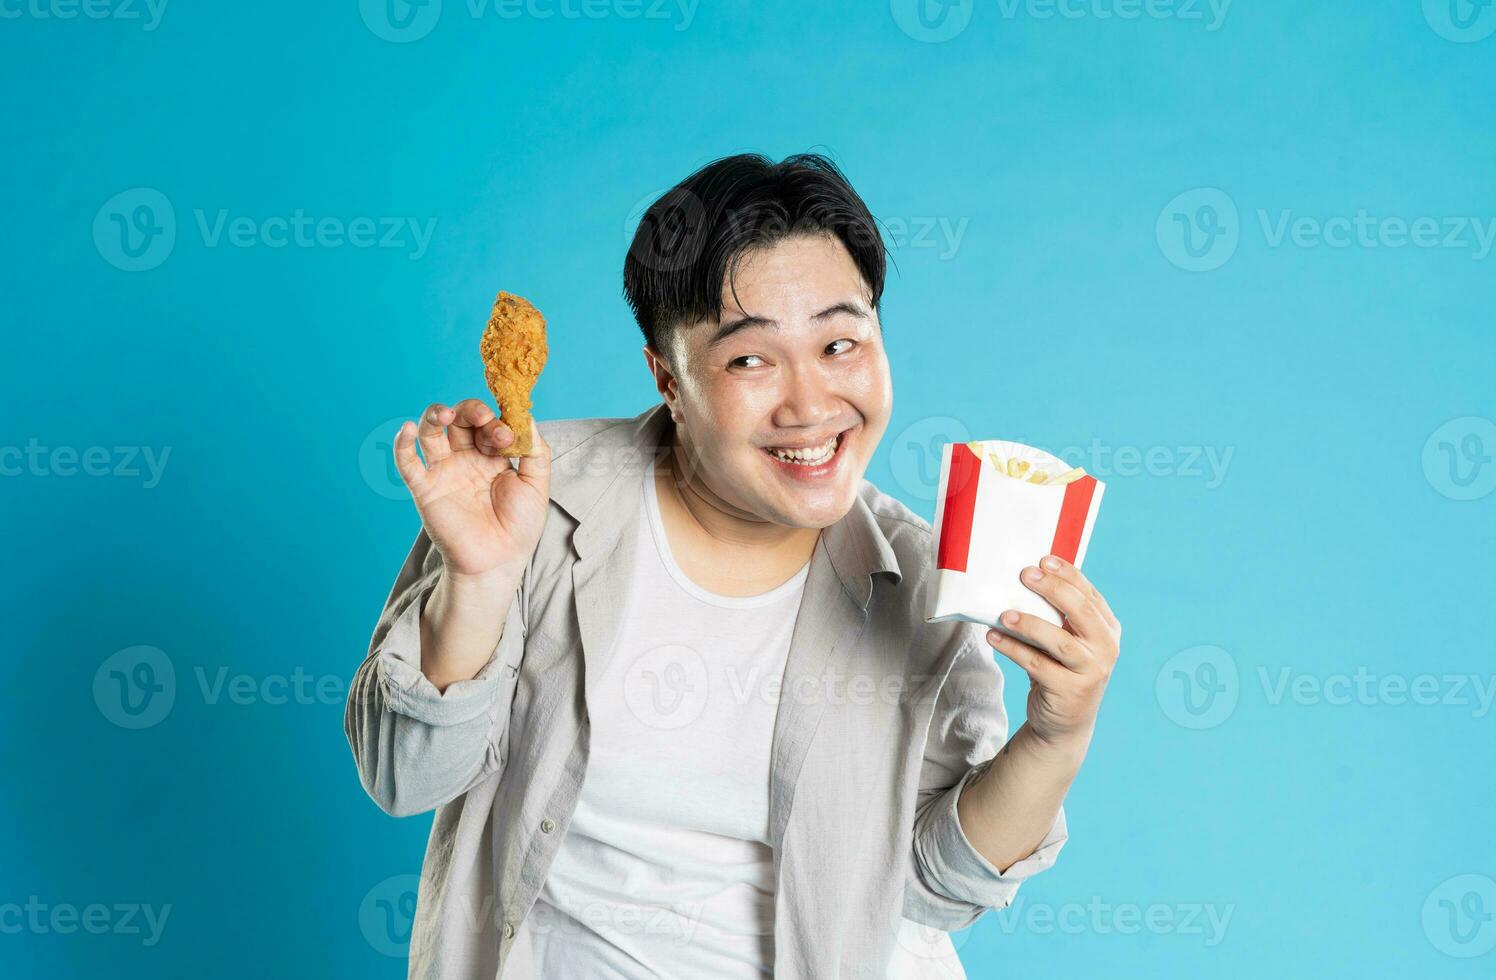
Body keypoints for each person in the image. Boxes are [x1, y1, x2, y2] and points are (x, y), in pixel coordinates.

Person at [345, 152, 1123, 980]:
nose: (810, 404)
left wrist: (1057, 733)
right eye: (751, 360)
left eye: (840, 342)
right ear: (666, 377)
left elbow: (934, 891)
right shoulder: (531, 492)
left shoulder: (925, 575)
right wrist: (480, 579)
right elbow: (403, 777)